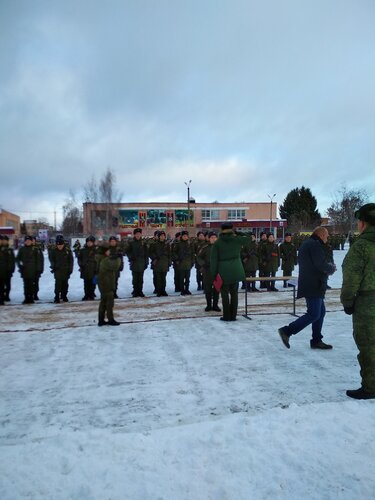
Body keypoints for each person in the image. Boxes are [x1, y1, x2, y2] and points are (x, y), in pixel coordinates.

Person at [278, 227, 336, 349]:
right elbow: (320, 263)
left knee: (320, 312)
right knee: (314, 313)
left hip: (313, 283)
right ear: (320, 235)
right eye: (326, 235)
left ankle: (316, 340)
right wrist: (331, 268)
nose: (328, 238)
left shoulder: (309, 243)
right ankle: (287, 331)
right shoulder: (314, 245)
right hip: (313, 284)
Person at [340, 203, 375, 400]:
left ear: (363, 223)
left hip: (368, 303)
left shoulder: (361, 247)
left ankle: (370, 387)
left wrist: (348, 302)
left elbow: (351, 278)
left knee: (369, 346)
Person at [210, 223, 251, 321]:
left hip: (223, 271)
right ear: (231, 230)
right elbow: (249, 238)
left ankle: (226, 316)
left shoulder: (217, 243)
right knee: (234, 294)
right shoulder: (236, 239)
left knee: (224, 295)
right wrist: (238, 232)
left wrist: (214, 275)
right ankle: (233, 316)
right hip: (236, 270)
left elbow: (213, 260)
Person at [97, 243, 122, 326]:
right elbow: (115, 266)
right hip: (106, 283)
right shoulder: (104, 260)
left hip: (104, 282)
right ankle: (110, 319)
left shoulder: (102, 258)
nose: (110, 252)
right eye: (108, 251)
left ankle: (101, 320)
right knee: (109, 303)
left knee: (103, 302)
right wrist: (118, 258)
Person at [196, 231, 221, 312]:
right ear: (209, 238)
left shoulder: (220, 247)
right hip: (208, 271)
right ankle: (209, 305)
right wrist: (203, 264)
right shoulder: (205, 247)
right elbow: (199, 257)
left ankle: (215, 305)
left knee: (217, 289)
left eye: (215, 237)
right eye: (212, 237)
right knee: (208, 289)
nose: (213, 239)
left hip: (218, 271)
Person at [49, 235, 74, 303]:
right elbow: (51, 259)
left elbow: (71, 261)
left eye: (61, 245)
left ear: (63, 244)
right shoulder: (54, 251)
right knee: (58, 284)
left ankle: (64, 295)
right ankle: (57, 296)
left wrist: (70, 269)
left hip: (66, 270)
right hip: (58, 270)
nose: (60, 246)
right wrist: (54, 266)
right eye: (58, 245)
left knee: (65, 284)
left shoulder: (68, 251)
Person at [16, 235, 39, 304]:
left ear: (31, 241)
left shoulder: (35, 249)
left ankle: (31, 298)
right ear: (25, 242)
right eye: (26, 241)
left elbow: (38, 261)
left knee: (31, 285)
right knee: (25, 285)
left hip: (33, 270)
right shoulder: (22, 249)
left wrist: (38, 270)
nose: (28, 242)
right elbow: (17, 259)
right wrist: (20, 266)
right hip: (24, 271)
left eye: (29, 241)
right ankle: (26, 298)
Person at [126, 228, 149, 297]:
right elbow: (127, 251)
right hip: (134, 263)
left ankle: (140, 291)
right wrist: (131, 258)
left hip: (142, 263)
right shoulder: (131, 242)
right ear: (134, 235)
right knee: (135, 279)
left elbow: (146, 254)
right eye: (136, 234)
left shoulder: (144, 243)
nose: (138, 235)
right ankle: (135, 291)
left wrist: (146, 262)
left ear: (141, 234)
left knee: (141, 279)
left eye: (139, 234)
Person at [149, 230, 171, 296]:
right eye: (161, 236)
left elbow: (170, 254)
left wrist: (169, 262)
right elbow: (150, 253)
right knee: (158, 278)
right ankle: (158, 291)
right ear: (158, 237)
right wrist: (154, 257)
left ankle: (163, 290)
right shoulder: (154, 244)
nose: (163, 237)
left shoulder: (167, 245)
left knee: (163, 278)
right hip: (157, 263)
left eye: (164, 236)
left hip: (164, 263)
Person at [173, 230, 194, 295]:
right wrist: (177, 260)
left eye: (186, 236)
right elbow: (173, 252)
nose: (185, 237)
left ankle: (187, 289)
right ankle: (182, 290)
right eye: (184, 236)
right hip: (181, 264)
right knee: (181, 278)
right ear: (181, 237)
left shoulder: (190, 244)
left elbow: (193, 253)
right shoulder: (178, 244)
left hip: (188, 264)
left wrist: (192, 262)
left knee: (187, 278)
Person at [78, 236, 98, 300]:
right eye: (88, 242)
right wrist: (81, 264)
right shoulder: (83, 250)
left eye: (90, 242)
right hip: (85, 269)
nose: (89, 243)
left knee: (93, 284)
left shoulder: (96, 250)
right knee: (86, 283)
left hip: (93, 269)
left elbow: (98, 260)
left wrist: (97, 268)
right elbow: (79, 259)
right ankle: (86, 295)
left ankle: (91, 295)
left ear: (93, 243)